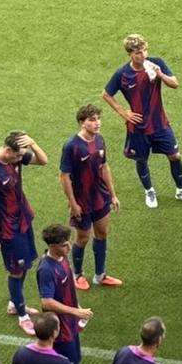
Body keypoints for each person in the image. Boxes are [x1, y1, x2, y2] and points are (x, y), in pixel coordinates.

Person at [101, 33, 182, 209]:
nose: (143, 55)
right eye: (138, 52)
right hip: (137, 127)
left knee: (175, 155)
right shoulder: (122, 74)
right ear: (130, 54)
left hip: (160, 123)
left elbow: (175, 83)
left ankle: (181, 190)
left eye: (144, 50)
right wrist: (123, 112)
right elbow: (106, 94)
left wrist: (160, 74)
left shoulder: (156, 63)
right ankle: (149, 191)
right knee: (141, 159)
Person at [0, 130, 49, 336]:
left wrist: (33, 143)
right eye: (18, 155)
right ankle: (22, 316)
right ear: (7, 150)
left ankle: (14, 303)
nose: (20, 159)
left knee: (26, 264)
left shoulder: (15, 157)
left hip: (24, 219)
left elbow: (43, 161)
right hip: (8, 228)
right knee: (16, 270)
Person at [59, 104, 122, 291]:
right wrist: (73, 203)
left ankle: (100, 275)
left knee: (102, 233)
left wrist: (113, 195)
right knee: (82, 238)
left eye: (98, 119)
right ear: (82, 123)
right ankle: (77, 274)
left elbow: (104, 167)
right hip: (82, 201)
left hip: (100, 197)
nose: (97, 123)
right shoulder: (72, 146)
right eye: (92, 120)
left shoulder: (100, 140)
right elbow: (64, 176)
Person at [36, 224, 93, 364]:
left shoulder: (62, 257)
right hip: (59, 330)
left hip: (69, 324)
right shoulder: (46, 269)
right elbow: (46, 301)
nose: (68, 247)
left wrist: (76, 312)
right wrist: (75, 312)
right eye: (64, 245)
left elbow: (67, 289)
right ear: (52, 246)